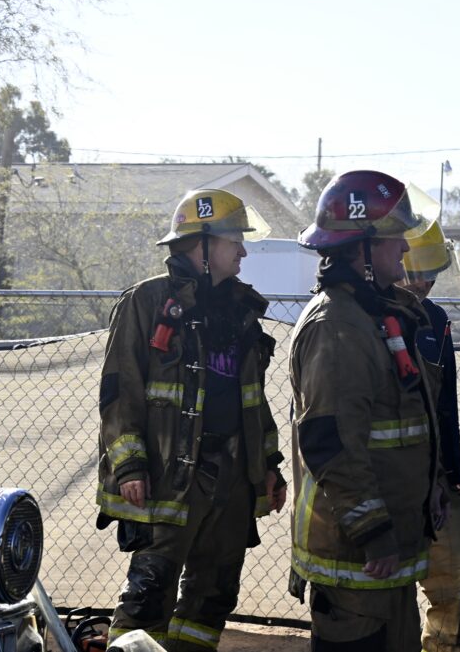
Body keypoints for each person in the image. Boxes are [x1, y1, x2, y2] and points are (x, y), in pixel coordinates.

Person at [96, 188, 287, 650]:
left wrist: (268, 465)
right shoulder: (147, 302)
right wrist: (130, 466)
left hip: (233, 475)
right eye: (234, 241)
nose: (242, 252)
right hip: (170, 476)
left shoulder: (240, 310)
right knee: (149, 593)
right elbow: (120, 392)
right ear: (201, 245)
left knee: (214, 594)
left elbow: (253, 399)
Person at [288, 170, 448, 651]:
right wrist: (372, 530)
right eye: (395, 237)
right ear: (362, 249)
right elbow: (331, 442)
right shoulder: (337, 326)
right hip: (355, 555)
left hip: (385, 552)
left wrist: (433, 485)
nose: (404, 247)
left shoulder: (378, 314)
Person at [400, 219, 460, 652]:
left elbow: (447, 410)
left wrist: (452, 478)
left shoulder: (436, 321)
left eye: (432, 272)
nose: (424, 283)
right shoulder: (352, 320)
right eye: (416, 272)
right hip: (378, 486)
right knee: (383, 612)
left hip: (434, 482)